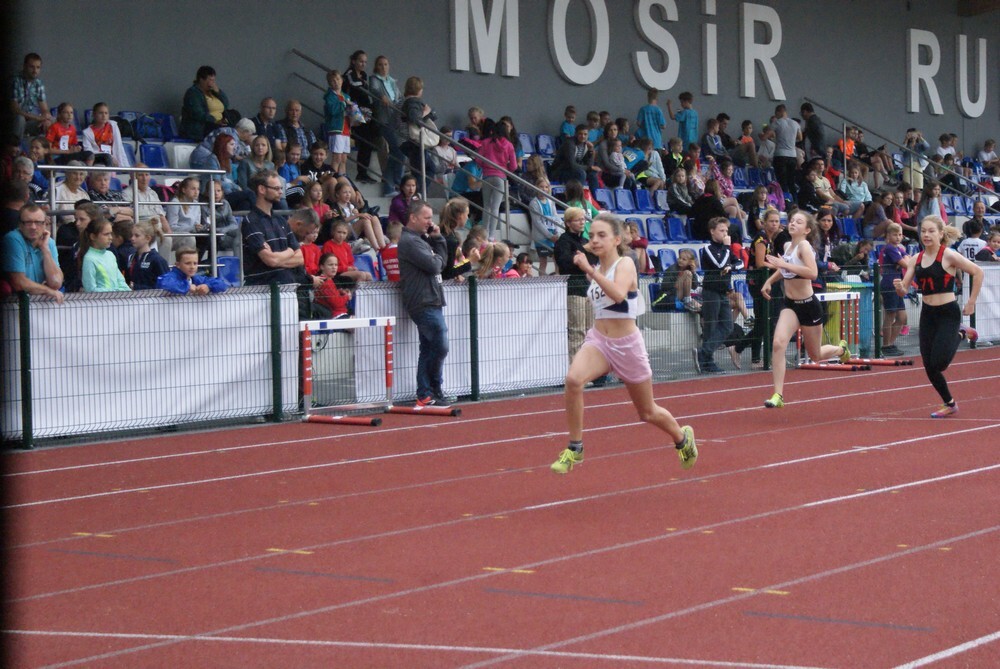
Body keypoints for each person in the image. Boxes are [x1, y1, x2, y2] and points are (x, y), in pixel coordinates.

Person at [550, 213, 697, 474]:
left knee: (647, 412)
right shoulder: (598, 269)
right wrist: (587, 265)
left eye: (602, 235)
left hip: (626, 345)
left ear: (617, 239)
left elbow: (618, 295)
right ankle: (575, 447)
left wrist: (589, 270)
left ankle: (682, 438)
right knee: (573, 380)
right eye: (592, 236)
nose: (595, 240)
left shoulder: (625, 264)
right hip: (599, 340)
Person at [760, 210, 852, 408]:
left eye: (799, 222)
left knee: (815, 355)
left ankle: (840, 349)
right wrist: (769, 280)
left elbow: (812, 272)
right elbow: (784, 268)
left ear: (807, 230)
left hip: (808, 306)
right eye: (792, 220)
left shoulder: (804, 247)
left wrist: (784, 264)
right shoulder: (787, 246)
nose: (793, 223)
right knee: (778, 344)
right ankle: (778, 395)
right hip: (790, 305)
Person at [893, 216, 982, 417]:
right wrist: (900, 288)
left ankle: (962, 333)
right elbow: (904, 289)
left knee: (940, 362)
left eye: (931, 231)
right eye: (923, 231)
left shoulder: (948, 255)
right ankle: (949, 403)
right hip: (928, 314)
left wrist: (971, 301)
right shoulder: (915, 259)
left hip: (948, 313)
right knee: (929, 365)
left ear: (941, 234)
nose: (926, 235)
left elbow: (977, 272)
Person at [398, 199, 451, 407]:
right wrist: (439, 244)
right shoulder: (411, 242)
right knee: (439, 345)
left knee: (430, 347)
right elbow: (435, 265)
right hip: (423, 300)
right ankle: (430, 389)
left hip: (430, 298)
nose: (430, 222)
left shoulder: (419, 240)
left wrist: (437, 242)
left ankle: (428, 392)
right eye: (426, 217)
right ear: (413, 217)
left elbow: (438, 264)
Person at [241, 169, 303, 286]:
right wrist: (290, 251)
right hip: (263, 288)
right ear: (262, 189)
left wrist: (277, 259)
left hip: (288, 286)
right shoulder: (251, 221)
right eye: (276, 188)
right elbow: (270, 260)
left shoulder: (281, 220)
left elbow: (300, 258)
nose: (280, 192)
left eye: (281, 188)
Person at [695, 217, 737, 374]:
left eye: (726, 230)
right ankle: (707, 361)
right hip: (711, 290)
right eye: (722, 230)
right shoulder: (708, 248)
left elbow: (739, 263)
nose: (725, 234)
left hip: (723, 291)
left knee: (727, 325)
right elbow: (719, 264)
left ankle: (704, 352)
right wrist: (727, 248)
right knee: (710, 326)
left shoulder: (727, 250)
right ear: (712, 231)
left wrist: (731, 266)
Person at [554, 207, 596, 362]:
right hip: (574, 290)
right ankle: (576, 368)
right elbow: (564, 263)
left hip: (588, 289)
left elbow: (592, 262)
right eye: (578, 220)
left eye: (583, 219)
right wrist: (582, 254)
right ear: (568, 223)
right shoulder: (563, 241)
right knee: (577, 332)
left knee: (590, 331)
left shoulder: (584, 241)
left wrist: (583, 255)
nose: (582, 222)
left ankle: (589, 366)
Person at [1, 203, 63, 302]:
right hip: (15, 303)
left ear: (45, 224)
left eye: (38, 222)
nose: (33, 227)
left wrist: (45, 249)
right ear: (20, 225)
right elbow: (19, 283)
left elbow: (56, 283)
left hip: (39, 303)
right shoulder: (12, 239)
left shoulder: (49, 242)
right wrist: (47, 290)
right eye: (28, 222)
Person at [368, 55, 406, 197]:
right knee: (397, 151)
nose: (383, 67)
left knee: (398, 152)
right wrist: (381, 96)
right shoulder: (374, 79)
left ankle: (392, 185)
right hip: (384, 120)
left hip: (395, 120)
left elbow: (400, 98)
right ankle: (394, 184)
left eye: (385, 64)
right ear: (376, 66)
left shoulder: (392, 81)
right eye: (380, 64)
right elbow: (374, 90)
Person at [477, 120, 518, 241]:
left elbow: (478, 160)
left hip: (487, 176)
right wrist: (505, 168)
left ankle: (484, 233)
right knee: (495, 207)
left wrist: (485, 166)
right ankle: (491, 235)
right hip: (501, 178)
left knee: (486, 206)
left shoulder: (485, 142)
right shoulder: (509, 145)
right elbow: (514, 166)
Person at [344, 50, 378, 184]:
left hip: (366, 112)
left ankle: (363, 172)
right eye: (360, 61)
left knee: (368, 142)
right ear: (354, 61)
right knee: (365, 141)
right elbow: (354, 84)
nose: (363, 64)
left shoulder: (363, 75)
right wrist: (364, 85)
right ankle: (362, 173)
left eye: (365, 62)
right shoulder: (349, 74)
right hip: (355, 113)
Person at [879, 223, 910, 356]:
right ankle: (886, 345)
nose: (898, 237)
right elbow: (906, 264)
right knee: (890, 315)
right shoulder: (890, 248)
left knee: (902, 317)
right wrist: (903, 263)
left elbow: (908, 259)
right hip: (889, 283)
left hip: (898, 284)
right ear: (888, 236)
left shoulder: (898, 248)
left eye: (900, 235)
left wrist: (904, 262)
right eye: (894, 235)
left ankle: (890, 343)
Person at [79, 216, 130, 292]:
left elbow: (121, 281)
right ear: (93, 236)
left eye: (111, 234)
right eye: (106, 234)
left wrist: (127, 291)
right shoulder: (89, 259)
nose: (110, 237)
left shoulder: (110, 255)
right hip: (102, 299)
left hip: (117, 298)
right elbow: (90, 289)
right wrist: (114, 292)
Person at [180, 66, 230, 141]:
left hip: (217, 126)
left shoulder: (213, 92)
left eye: (213, 80)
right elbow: (197, 113)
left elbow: (226, 104)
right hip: (201, 130)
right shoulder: (193, 93)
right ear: (201, 80)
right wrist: (215, 121)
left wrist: (219, 92)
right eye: (210, 80)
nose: (212, 83)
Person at [156, 246, 229, 295]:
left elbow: (223, 284)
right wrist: (187, 287)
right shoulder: (170, 276)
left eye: (195, 263)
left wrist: (208, 286)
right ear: (177, 264)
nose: (192, 267)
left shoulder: (196, 278)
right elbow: (165, 284)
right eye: (188, 263)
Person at [550, 124, 599, 193]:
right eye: (580, 134)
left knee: (592, 175)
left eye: (585, 134)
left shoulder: (586, 145)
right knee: (581, 173)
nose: (583, 136)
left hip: (574, 171)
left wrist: (590, 150)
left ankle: (596, 197)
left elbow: (589, 164)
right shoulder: (569, 143)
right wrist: (590, 168)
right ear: (575, 134)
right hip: (560, 172)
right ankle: (577, 197)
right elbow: (572, 165)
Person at [528, 180, 562, 275]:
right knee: (543, 261)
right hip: (542, 237)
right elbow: (537, 222)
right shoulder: (534, 203)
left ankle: (557, 279)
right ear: (536, 187)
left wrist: (557, 232)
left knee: (556, 260)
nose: (544, 189)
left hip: (554, 235)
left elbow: (556, 217)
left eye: (546, 187)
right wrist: (549, 236)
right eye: (541, 186)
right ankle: (542, 281)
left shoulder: (551, 201)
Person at [322, 70, 352, 177]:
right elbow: (332, 110)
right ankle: (333, 179)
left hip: (346, 129)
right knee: (337, 158)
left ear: (342, 80)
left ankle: (342, 178)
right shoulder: (329, 97)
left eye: (338, 79)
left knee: (343, 158)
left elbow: (349, 113)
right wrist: (344, 104)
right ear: (329, 83)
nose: (336, 82)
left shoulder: (346, 96)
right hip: (336, 129)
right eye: (333, 81)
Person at [81, 102, 130, 168]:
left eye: (106, 113)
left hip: (115, 162)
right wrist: (109, 157)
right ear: (94, 114)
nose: (104, 116)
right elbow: (89, 153)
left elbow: (119, 147)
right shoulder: (87, 132)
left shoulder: (113, 126)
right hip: (99, 162)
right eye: (101, 113)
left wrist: (125, 166)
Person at [653, 247, 700, 312]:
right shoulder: (672, 269)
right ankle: (687, 300)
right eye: (680, 258)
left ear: (690, 262)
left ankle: (688, 301)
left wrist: (694, 272)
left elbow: (694, 286)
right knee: (687, 273)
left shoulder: (690, 270)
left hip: (681, 295)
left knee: (700, 307)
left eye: (684, 259)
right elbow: (665, 286)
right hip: (670, 295)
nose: (680, 260)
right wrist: (679, 282)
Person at [127, 219, 169, 290]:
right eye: (132, 235)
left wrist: (136, 287)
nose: (132, 238)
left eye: (137, 236)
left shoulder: (157, 260)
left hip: (152, 297)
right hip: (133, 296)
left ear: (148, 238)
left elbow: (165, 286)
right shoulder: (132, 257)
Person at [771, 104, 802, 196]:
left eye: (776, 114)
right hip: (792, 156)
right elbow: (800, 138)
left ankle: (784, 200)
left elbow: (767, 135)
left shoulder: (776, 123)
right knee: (791, 181)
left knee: (782, 181)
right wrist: (791, 139)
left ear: (778, 112)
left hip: (780, 155)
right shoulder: (795, 123)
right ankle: (794, 200)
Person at [437, 198, 471, 281]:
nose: (467, 218)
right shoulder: (450, 240)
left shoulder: (444, 233)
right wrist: (470, 260)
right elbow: (447, 273)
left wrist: (457, 273)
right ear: (460, 216)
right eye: (467, 215)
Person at [314, 253, 354, 317]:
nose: (334, 267)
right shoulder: (324, 282)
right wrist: (347, 296)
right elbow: (337, 303)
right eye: (330, 265)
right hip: (335, 315)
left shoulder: (329, 280)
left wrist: (340, 292)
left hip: (339, 313)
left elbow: (332, 295)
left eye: (336, 265)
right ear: (322, 267)